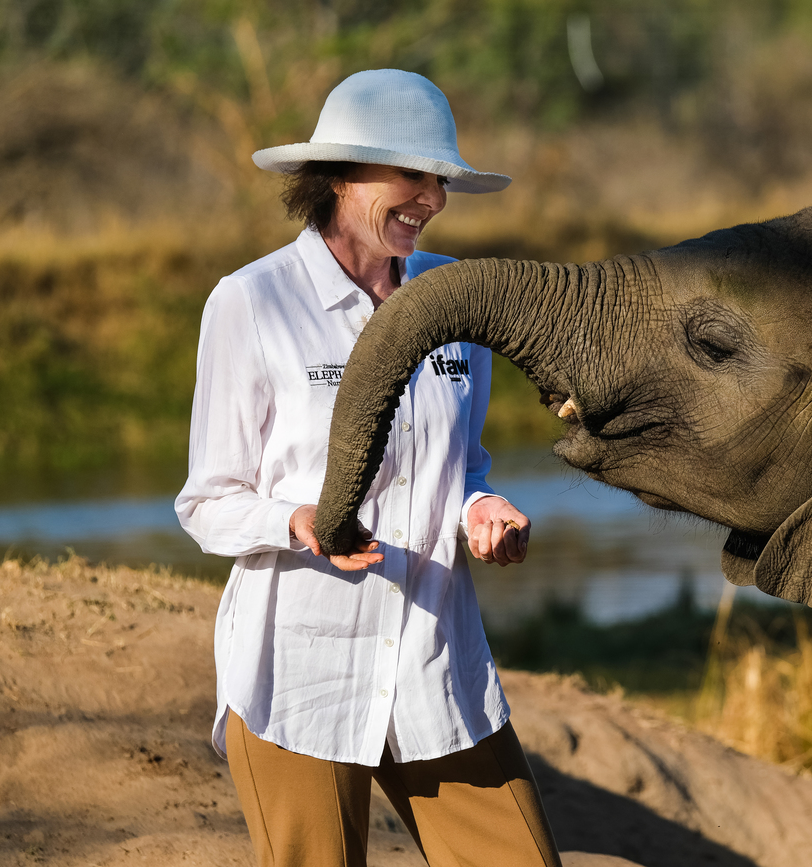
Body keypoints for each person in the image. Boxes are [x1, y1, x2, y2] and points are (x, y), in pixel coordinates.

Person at [175, 69, 562, 867]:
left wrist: (480, 509)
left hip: (435, 661)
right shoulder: (252, 302)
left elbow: (461, 466)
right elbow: (207, 502)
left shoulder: (454, 296)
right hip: (298, 678)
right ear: (341, 176)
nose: (433, 197)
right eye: (413, 174)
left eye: (441, 179)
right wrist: (295, 519)